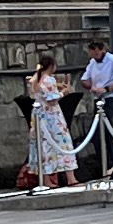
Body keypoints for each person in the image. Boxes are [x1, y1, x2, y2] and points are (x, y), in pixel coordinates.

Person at [79, 34, 113, 179]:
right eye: (92, 51)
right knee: (97, 135)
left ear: (102, 50)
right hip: (99, 100)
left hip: (111, 100)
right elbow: (84, 79)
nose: (94, 53)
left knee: (108, 133)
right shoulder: (92, 63)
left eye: (97, 50)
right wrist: (92, 87)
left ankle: (112, 164)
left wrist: (107, 89)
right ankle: (104, 164)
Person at [25, 55, 79, 189]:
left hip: (39, 114)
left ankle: (47, 179)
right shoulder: (49, 80)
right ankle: (70, 178)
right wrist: (63, 93)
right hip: (52, 115)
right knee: (63, 143)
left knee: (44, 145)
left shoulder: (35, 79)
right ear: (51, 66)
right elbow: (52, 99)